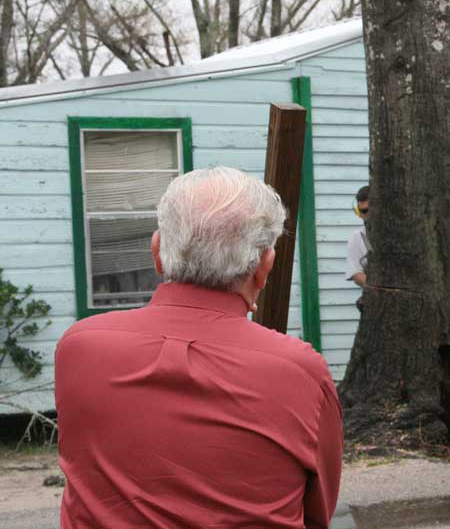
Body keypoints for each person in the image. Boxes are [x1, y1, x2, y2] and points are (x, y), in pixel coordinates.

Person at [55, 167, 342, 528]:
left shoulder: (79, 347)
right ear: (264, 267)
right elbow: (318, 512)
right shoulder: (300, 370)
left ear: (156, 252)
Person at [345, 185, 370, 297]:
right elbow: (355, 273)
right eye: (362, 211)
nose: (365, 215)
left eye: (368, 210)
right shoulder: (357, 238)